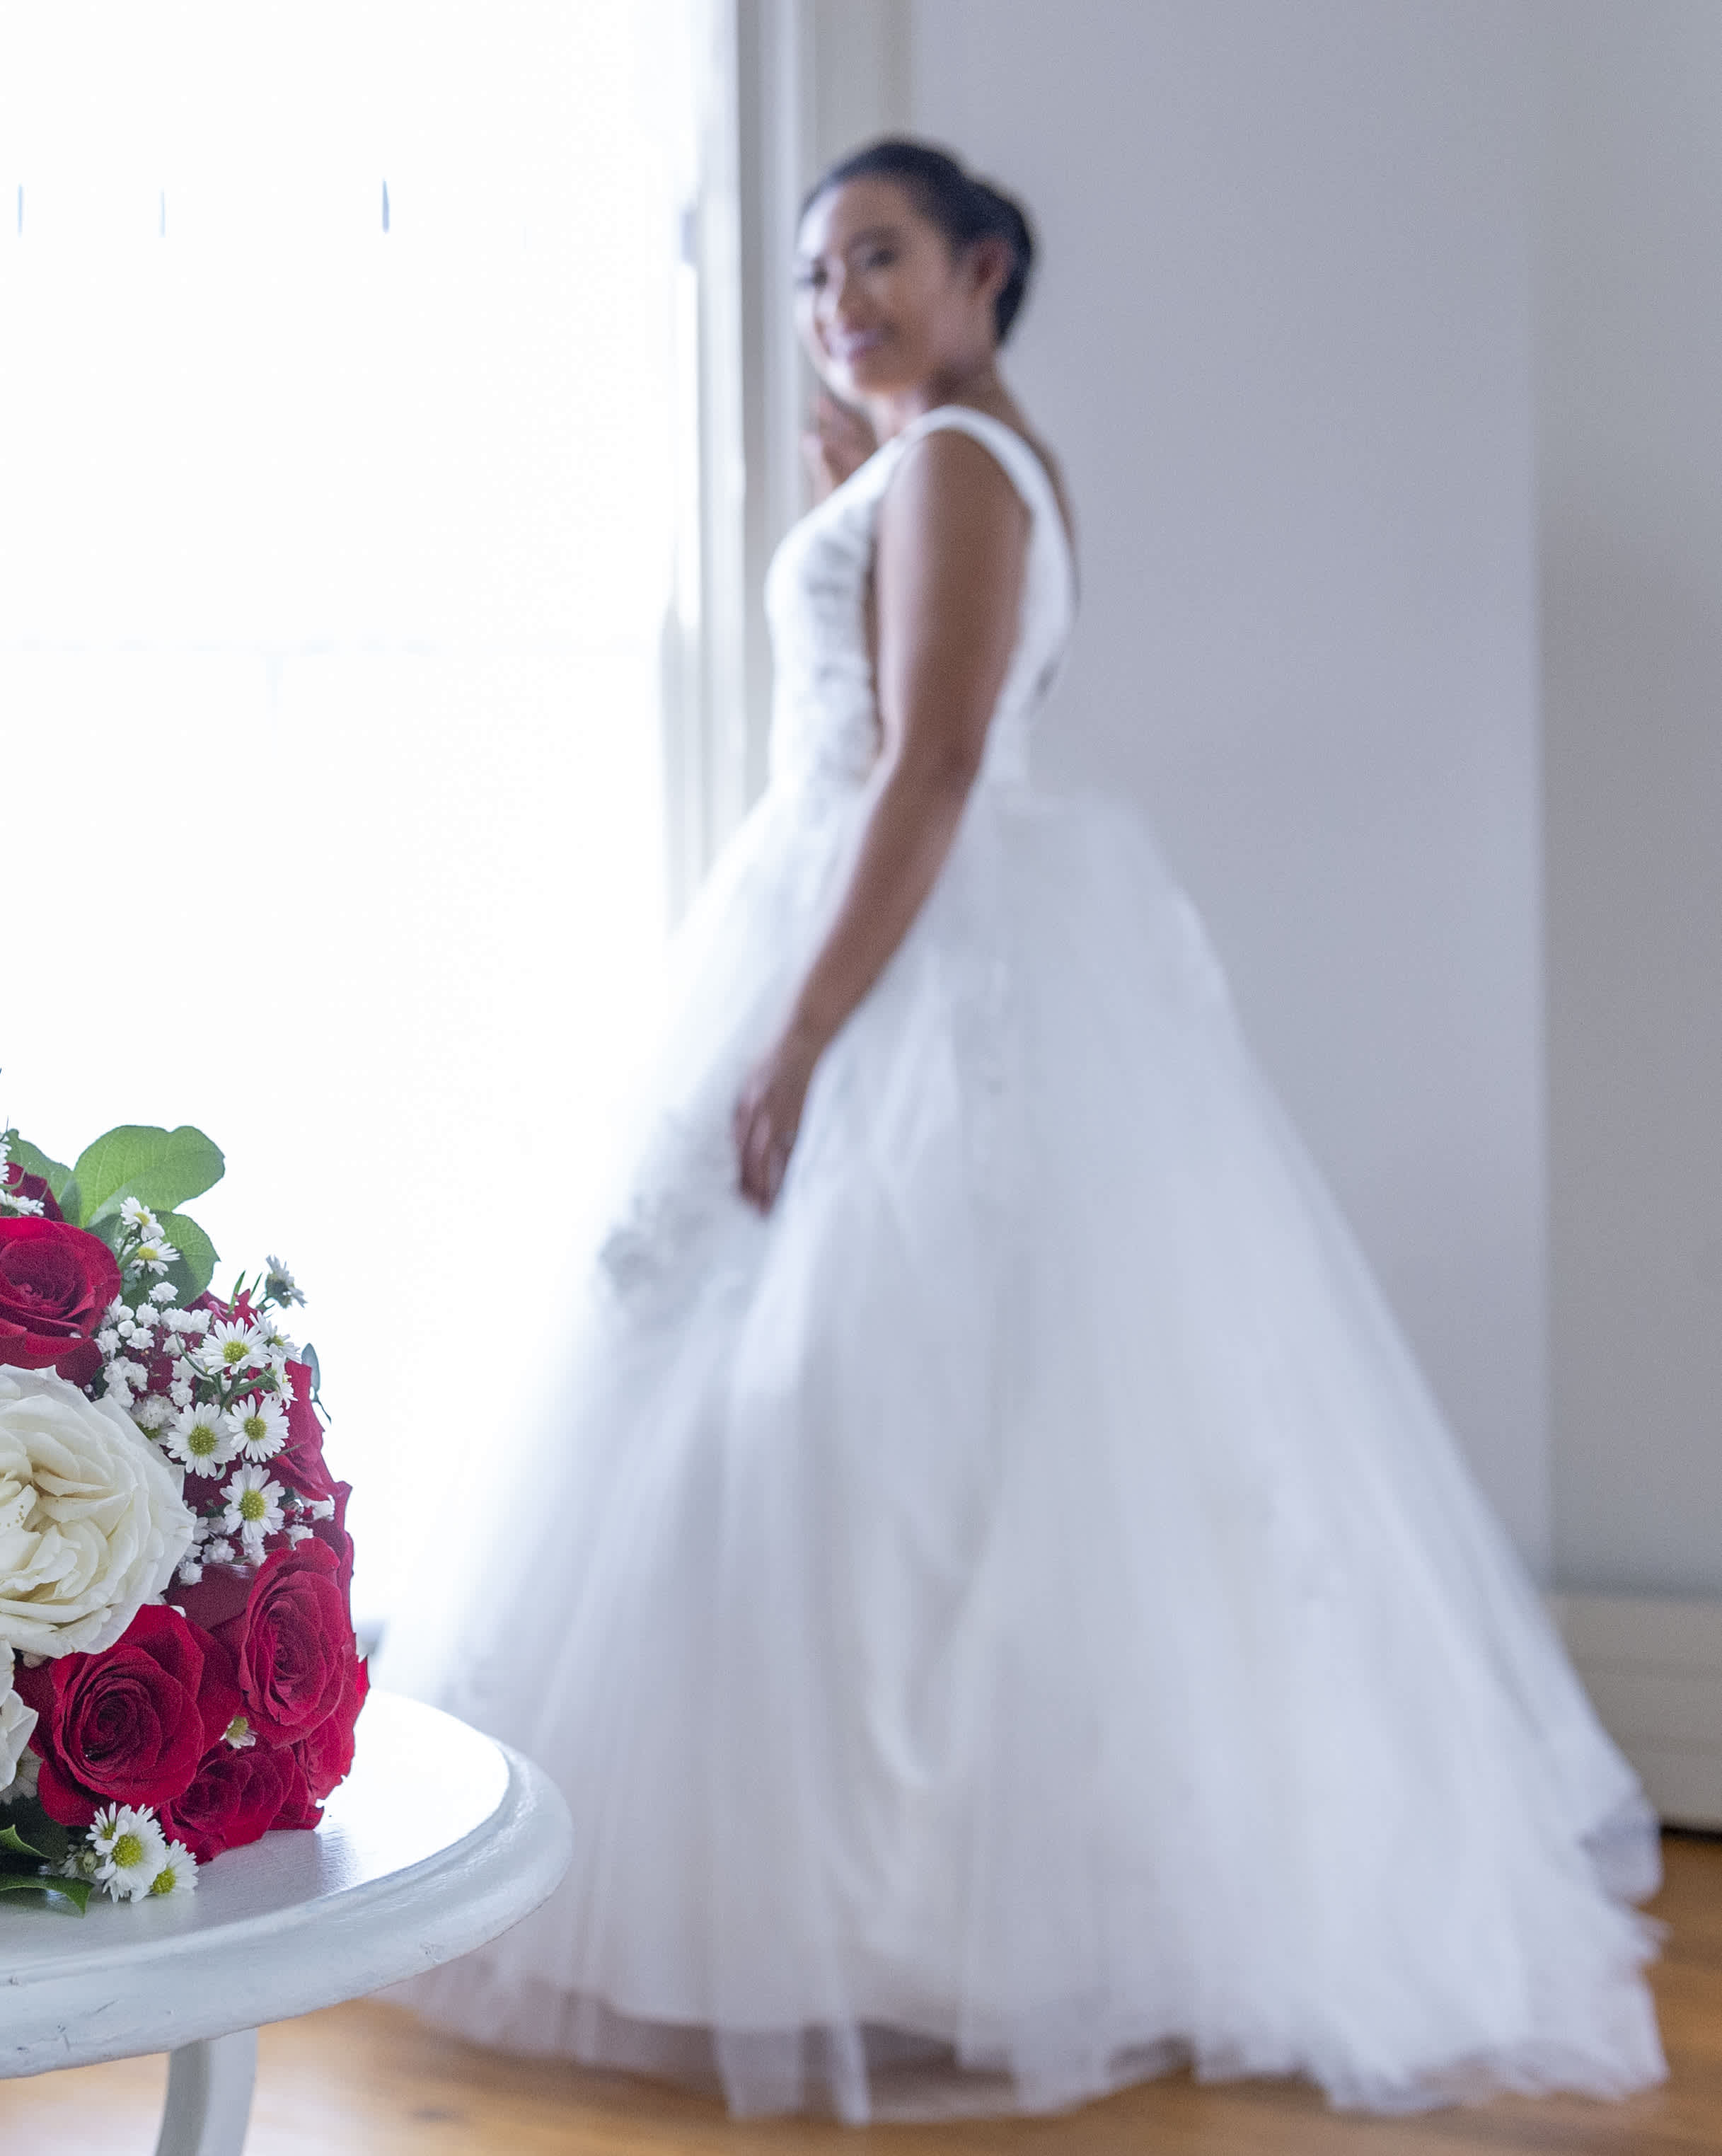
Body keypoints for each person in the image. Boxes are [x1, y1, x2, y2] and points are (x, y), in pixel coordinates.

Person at [379, 137, 1665, 2121]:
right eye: (815, 275)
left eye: (879, 258)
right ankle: (871, 1912)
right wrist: (861, 482)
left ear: (984, 269)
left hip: (889, 955)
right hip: (884, 920)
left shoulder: (962, 465)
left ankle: (890, 1918)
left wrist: (804, 1034)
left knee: (852, 1424)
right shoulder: (948, 461)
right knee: (872, 1428)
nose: (838, 302)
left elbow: (936, 759)